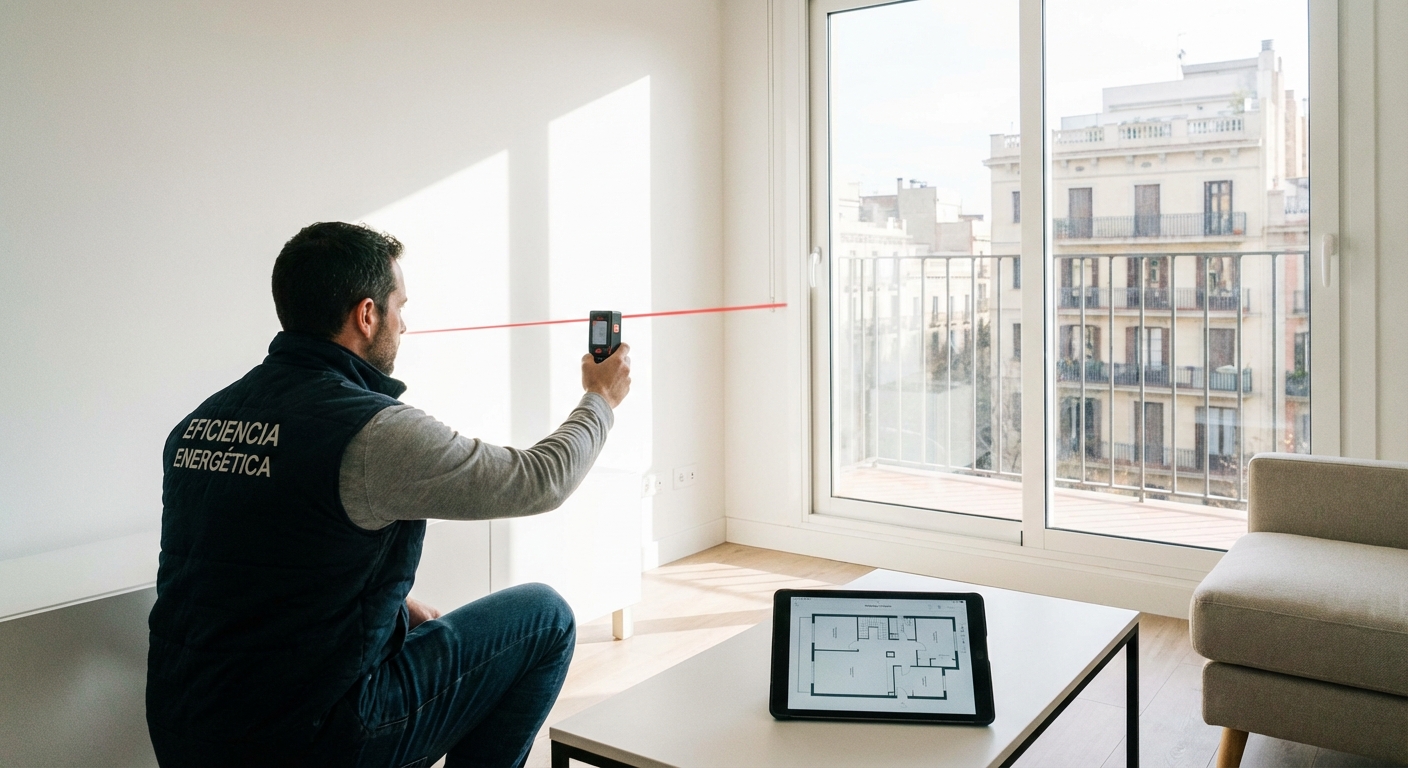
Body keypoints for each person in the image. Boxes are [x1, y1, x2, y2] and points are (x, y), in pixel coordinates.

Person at [146, 221, 631, 767]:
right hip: (310, 742)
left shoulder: (197, 426)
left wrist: (397, 608)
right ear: (367, 314)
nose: (404, 323)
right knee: (544, 617)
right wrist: (600, 399)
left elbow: (267, 563)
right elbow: (541, 480)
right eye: (400, 306)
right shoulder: (371, 432)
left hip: (183, 733)